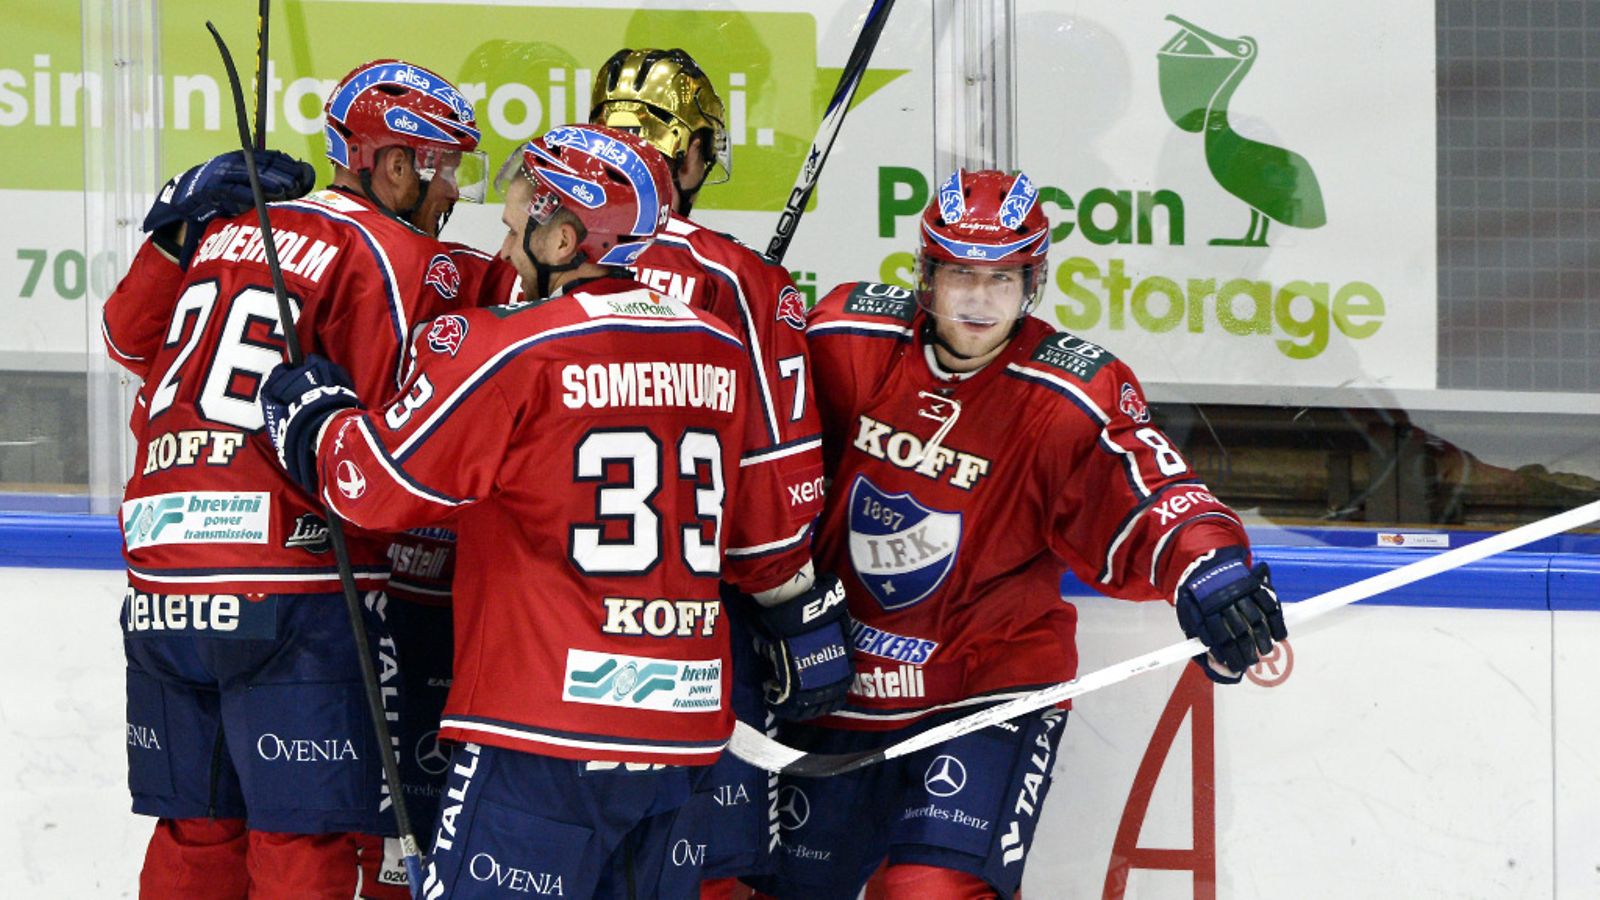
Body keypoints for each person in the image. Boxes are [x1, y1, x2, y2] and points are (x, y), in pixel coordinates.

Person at [257, 123, 853, 899]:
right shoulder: (719, 349)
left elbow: (374, 489)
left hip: (542, 729)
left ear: (566, 237)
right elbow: (765, 523)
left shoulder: (517, 349)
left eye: (513, 230)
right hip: (681, 736)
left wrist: (314, 414)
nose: (503, 253)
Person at [747, 169, 1288, 899]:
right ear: (926, 275)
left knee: (929, 891)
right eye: (961, 274)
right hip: (839, 682)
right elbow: (751, 435)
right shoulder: (845, 339)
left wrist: (1210, 568)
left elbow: (1154, 488)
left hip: (985, 685)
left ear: (1032, 282)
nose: (978, 298)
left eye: (1002, 277)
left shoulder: (1068, 392)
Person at [102, 58, 484, 898]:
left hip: (160, 573)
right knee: (298, 840)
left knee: (195, 831)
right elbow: (377, 444)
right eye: (446, 167)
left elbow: (128, 342)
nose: (453, 191)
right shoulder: (389, 247)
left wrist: (174, 237)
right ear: (394, 163)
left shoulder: (233, 226)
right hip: (284, 578)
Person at [589, 47, 830, 897]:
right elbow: (774, 483)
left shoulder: (529, 253)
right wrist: (792, 602)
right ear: (690, 154)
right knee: (704, 871)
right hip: (694, 625)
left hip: (543, 635)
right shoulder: (736, 278)